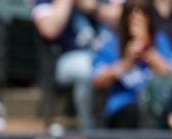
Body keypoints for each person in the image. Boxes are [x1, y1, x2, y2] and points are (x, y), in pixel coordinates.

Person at [32, 0, 122, 130]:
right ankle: (90, 131)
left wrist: (94, 8)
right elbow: (49, 29)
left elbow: (127, 20)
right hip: (67, 59)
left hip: (109, 56)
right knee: (89, 69)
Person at [92, 0, 172, 129]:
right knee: (134, 112)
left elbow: (169, 74)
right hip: (123, 107)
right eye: (132, 16)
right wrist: (126, 62)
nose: (137, 21)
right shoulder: (111, 42)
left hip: (155, 105)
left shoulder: (160, 40)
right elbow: (97, 80)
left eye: (143, 16)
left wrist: (146, 49)